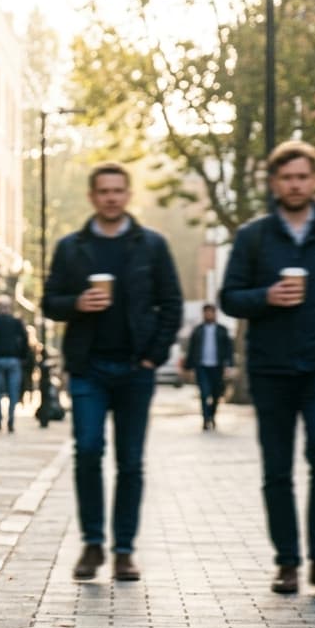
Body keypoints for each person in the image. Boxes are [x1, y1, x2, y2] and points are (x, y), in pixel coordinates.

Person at [218, 140, 315, 597]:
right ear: (274, 183)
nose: (295, 184)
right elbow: (229, 297)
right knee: (277, 469)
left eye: (303, 176)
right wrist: (266, 296)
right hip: (270, 368)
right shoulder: (254, 236)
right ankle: (287, 563)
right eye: (287, 177)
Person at [42, 161, 182, 583]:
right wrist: (76, 304)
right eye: (103, 191)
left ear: (128, 194)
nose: (111, 197)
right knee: (87, 452)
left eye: (118, 190)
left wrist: (152, 357)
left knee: (131, 462)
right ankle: (92, 545)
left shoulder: (151, 246)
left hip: (135, 369)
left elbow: (171, 304)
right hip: (88, 367)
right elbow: (49, 301)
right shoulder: (71, 247)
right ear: (92, 196)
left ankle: (124, 551)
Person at [181, 303, 233, 430]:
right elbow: (192, 349)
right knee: (204, 393)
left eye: (211, 312)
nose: (208, 314)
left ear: (215, 314)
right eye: (206, 312)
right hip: (202, 366)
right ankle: (205, 419)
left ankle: (212, 415)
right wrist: (188, 367)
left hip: (217, 366)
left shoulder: (222, 330)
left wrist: (229, 365)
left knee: (216, 394)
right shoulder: (198, 330)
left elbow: (228, 349)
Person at [0, 295, 28, 433]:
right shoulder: (17, 322)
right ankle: (11, 420)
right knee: (13, 392)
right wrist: (21, 356)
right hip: (14, 360)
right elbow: (25, 341)